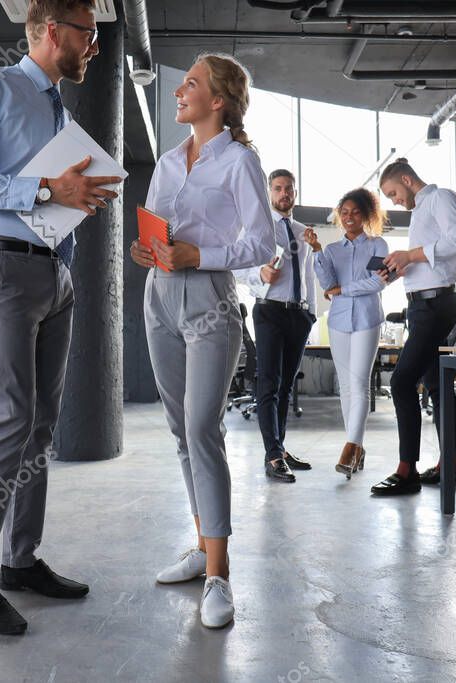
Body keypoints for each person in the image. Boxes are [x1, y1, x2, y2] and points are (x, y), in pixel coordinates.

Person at [0, 0, 122, 635]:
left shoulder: (57, 108)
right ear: (53, 31)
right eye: (88, 34)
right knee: (9, 418)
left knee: (41, 423)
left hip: (55, 271)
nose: (93, 46)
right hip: (3, 270)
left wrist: (72, 205)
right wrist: (47, 191)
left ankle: (19, 559)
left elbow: (51, 190)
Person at [129, 53, 275, 629]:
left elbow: (262, 245)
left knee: (201, 428)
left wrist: (202, 255)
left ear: (219, 101)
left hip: (209, 298)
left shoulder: (240, 162)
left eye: (190, 83)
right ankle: (202, 545)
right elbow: (159, 228)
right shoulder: (168, 161)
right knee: (178, 430)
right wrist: (151, 250)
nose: (178, 91)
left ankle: (220, 575)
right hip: (158, 296)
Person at [370, 158, 456, 496]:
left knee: (400, 382)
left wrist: (410, 255)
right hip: (422, 304)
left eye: (393, 192)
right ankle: (449, 466)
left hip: (436, 306)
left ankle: (406, 469)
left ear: (408, 180)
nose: (394, 200)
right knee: (437, 385)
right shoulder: (419, 213)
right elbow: (429, 262)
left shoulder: (441, 198)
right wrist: (398, 268)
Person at [235, 169, 316, 483]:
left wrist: (310, 312)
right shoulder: (258, 228)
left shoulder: (301, 231)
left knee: (285, 386)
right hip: (269, 312)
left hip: (298, 315)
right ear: (269, 193)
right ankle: (272, 455)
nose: (285, 193)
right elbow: (236, 268)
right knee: (269, 385)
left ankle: (280, 449)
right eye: (279, 188)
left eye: (289, 189)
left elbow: (307, 273)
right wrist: (259, 275)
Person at [308, 188, 389, 480]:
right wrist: (317, 251)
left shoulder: (378, 245)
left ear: (366, 215)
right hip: (339, 321)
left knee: (359, 382)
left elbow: (378, 282)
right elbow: (327, 282)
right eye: (344, 213)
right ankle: (357, 447)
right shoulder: (332, 250)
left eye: (355, 212)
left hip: (367, 318)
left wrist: (343, 290)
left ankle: (350, 446)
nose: (349, 217)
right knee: (345, 386)